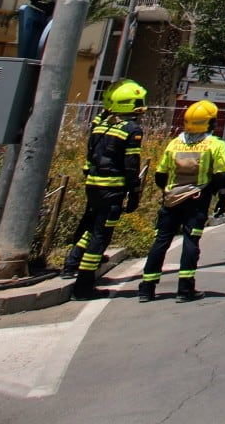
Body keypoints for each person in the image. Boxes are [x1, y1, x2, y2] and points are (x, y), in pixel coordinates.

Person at [60, 79, 146, 299]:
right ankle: (84, 285)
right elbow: (131, 164)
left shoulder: (100, 125)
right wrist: (134, 190)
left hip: (93, 186)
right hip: (113, 189)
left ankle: (71, 264)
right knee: (101, 235)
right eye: (138, 103)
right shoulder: (131, 130)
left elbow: (90, 156)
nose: (141, 108)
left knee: (89, 226)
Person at [139, 100, 225, 303]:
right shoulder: (214, 144)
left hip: (171, 199)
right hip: (197, 199)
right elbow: (221, 175)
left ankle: (147, 287)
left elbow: (160, 175)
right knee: (191, 242)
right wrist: (221, 198)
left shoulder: (174, 143)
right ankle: (185, 288)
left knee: (161, 240)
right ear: (209, 123)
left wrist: (169, 191)